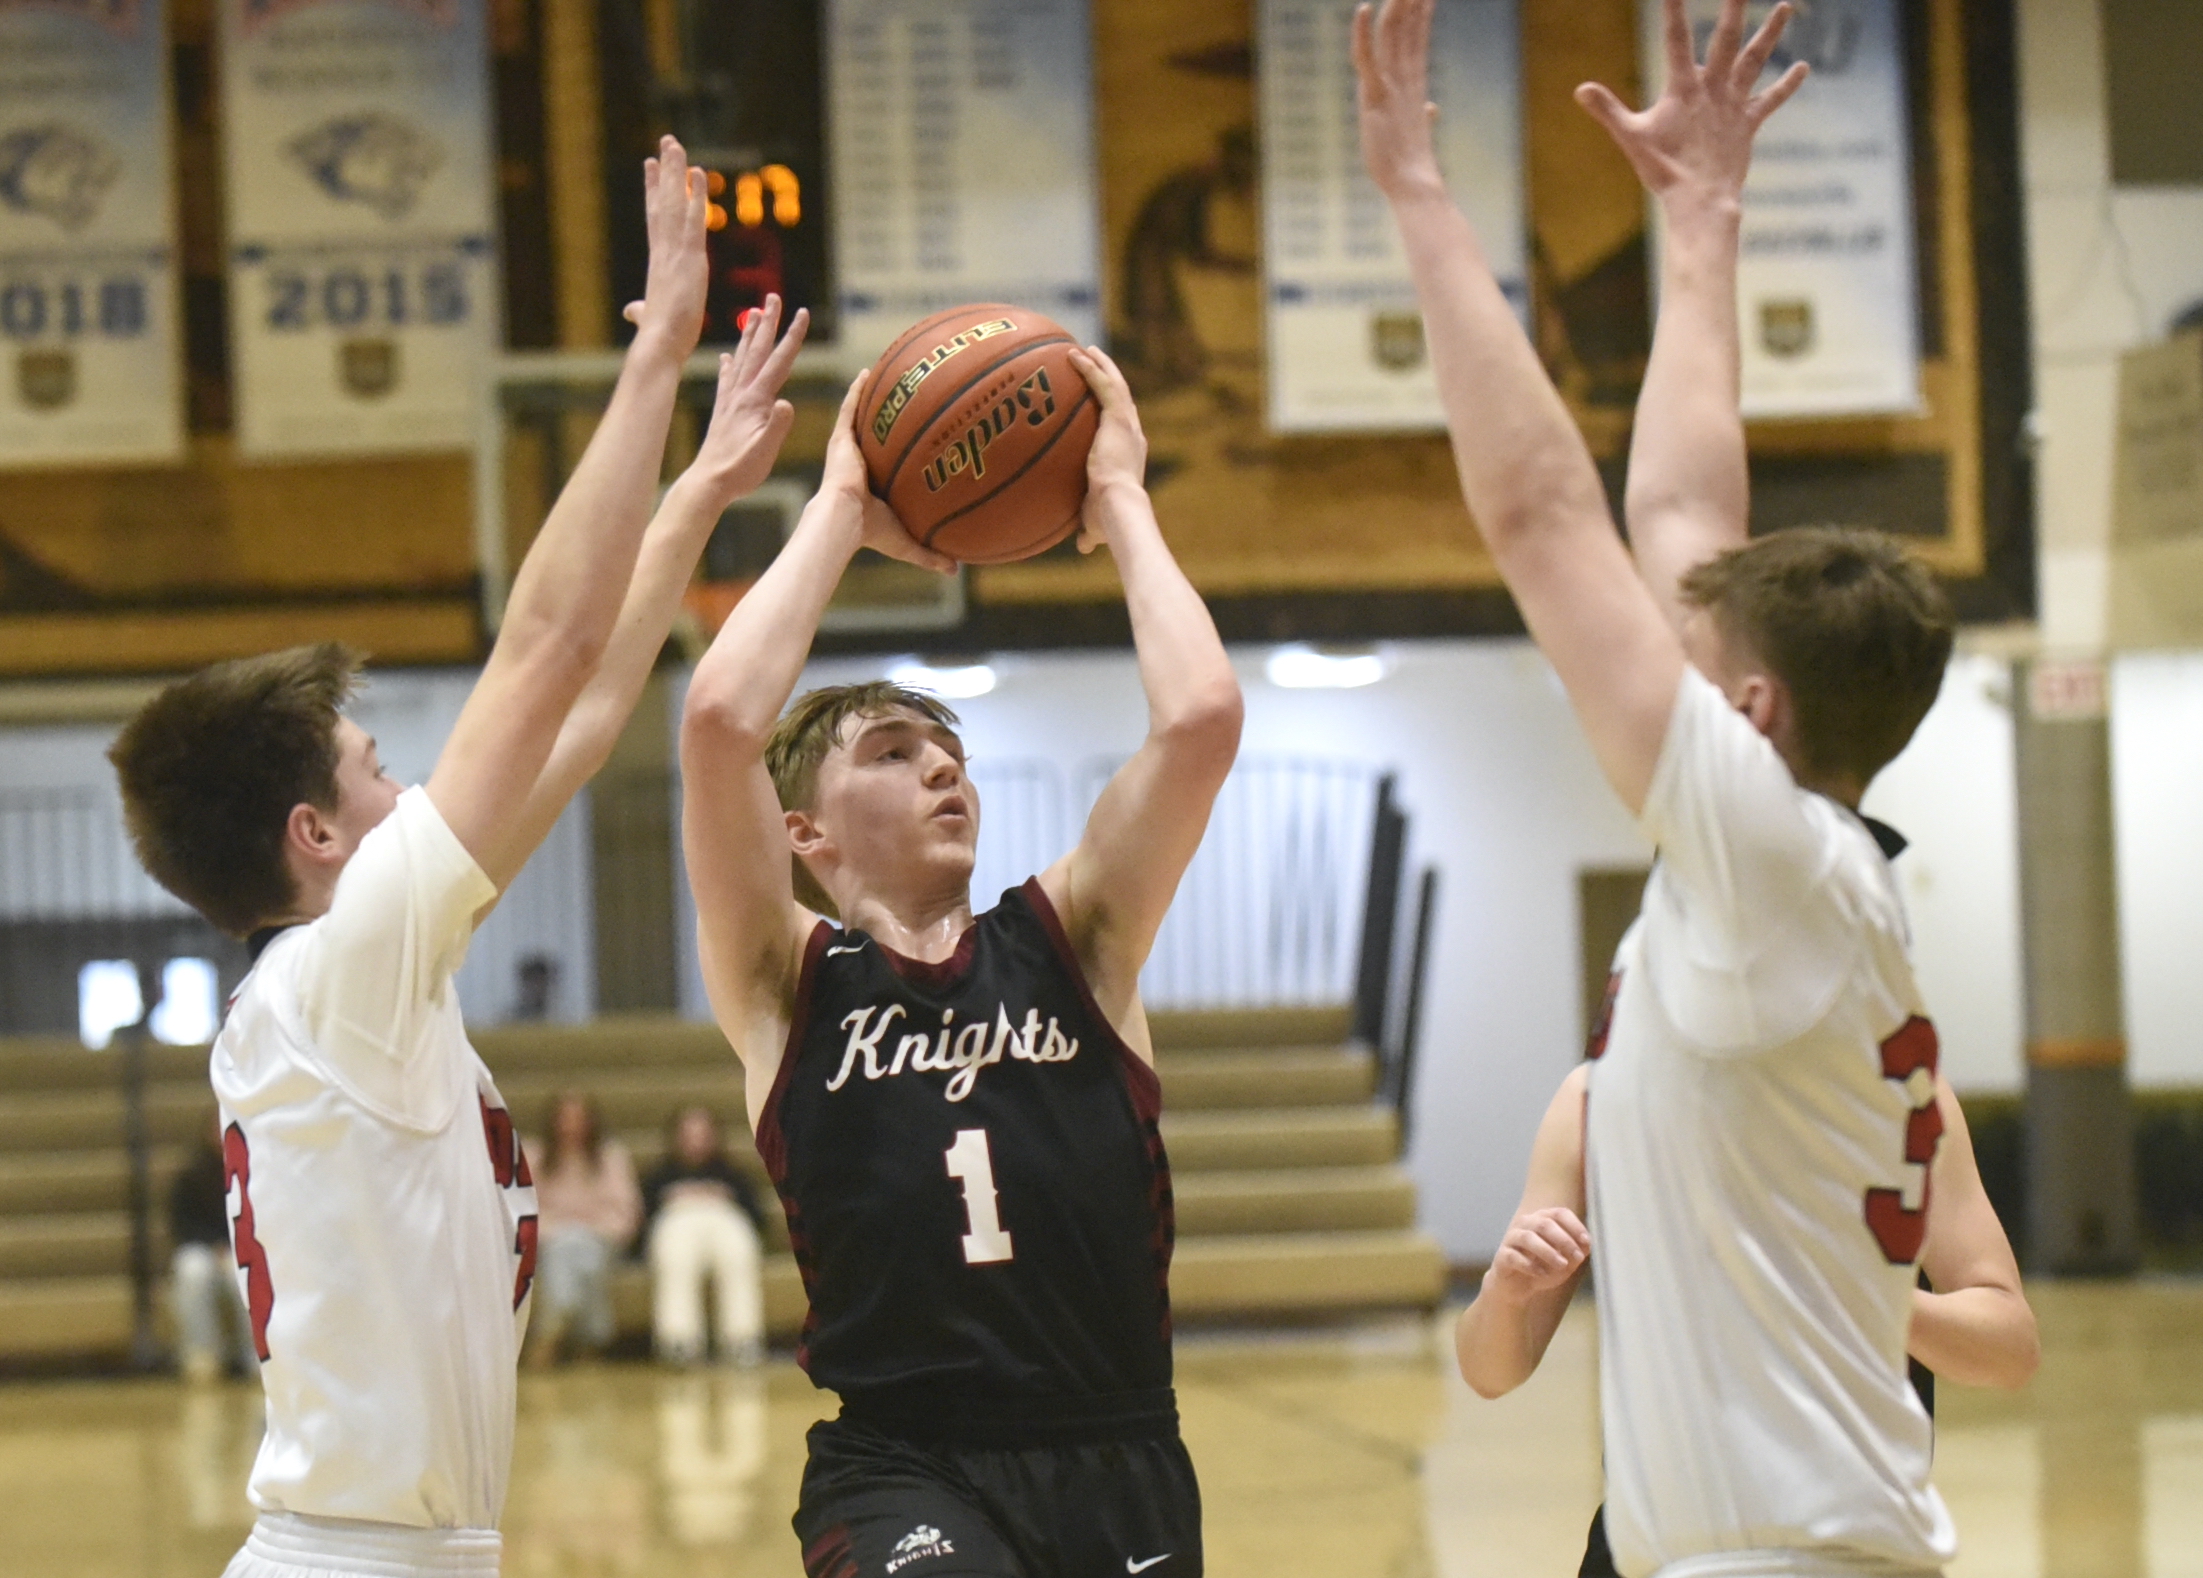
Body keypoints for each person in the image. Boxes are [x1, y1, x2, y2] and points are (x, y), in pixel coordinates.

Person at [108, 135, 810, 1578]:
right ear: (315, 837)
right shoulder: (337, 978)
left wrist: (698, 493)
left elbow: (591, 705)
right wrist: (657, 348)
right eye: (374, 767)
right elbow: (544, 649)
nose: (413, 780)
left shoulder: (337, 992)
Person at [1358, 0, 1963, 1571]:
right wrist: (1699, 227)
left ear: (1747, 710)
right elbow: (1687, 507)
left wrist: (1419, 202)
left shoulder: (1763, 866)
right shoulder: (1791, 865)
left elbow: (1544, 511)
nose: (1654, 628)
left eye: (1686, 646)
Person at [679, 344, 1241, 1577]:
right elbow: (720, 725)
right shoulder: (786, 982)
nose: (943, 767)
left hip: (1118, 1455)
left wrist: (1121, 503)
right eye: (891, 751)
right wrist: (835, 511)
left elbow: (1199, 718)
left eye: (951, 753)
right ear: (803, 835)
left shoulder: (1071, 938)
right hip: (900, 1465)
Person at [1458, 1060, 2040, 1576]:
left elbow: (2010, 1346)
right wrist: (1505, 1293)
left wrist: (1872, 1302)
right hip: (1658, 1542)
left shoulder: (1900, 1093)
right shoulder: (1597, 1099)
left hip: (1852, 1542)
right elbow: (1490, 1372)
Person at [641, 1104, 770, 1367]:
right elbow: (643, 1223)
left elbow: (757, 1220)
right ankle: (678, 1341)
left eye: (703, 1134)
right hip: (676, 1227)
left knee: (738, 1253)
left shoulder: (734, 1175)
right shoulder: (658, 1176)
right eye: (689, 1134)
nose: (696, 1141)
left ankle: (742, 1339)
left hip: (725, 1226)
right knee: (676, 1258)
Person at [528, 1092, 643, 1366]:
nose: (571, 1126)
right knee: (572, 1250)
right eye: (565, 1119)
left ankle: (550, 1331)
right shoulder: (534, 1155)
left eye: (578, 1119)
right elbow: (526, 1209)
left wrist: (588, 1229)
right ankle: (591, 1341)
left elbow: (626, 1211)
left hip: (601, 1238)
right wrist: (560, 1230)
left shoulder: (611, 1157)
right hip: (551, 1238)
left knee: (580, 1247)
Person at [169, 1117, 260, 1384]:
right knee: (192, 1272)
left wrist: (232, 1246)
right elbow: (181, 1224)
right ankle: (202, 1355)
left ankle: (255, 1356)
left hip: (239, 1247)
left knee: (240, 1273)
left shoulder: (251, 1172)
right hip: (200, 1247)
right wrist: (213, 1245)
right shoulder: (190, 1174)